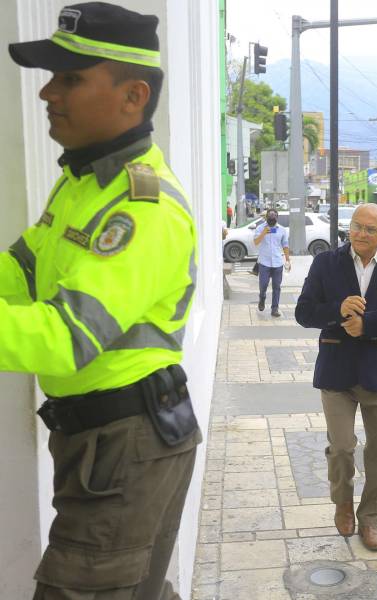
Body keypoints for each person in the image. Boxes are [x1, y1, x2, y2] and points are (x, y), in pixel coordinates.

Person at [3, 4, 201, 598]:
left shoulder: (143, 210)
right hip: (105, 442)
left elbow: (66, 337)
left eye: (69, 78)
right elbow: (22, 270)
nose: (47, 92)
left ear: (132, 95)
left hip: (125, 445)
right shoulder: (83, 184)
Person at [295, 203, 377, 552]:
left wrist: (369, 325)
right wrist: (338, 309)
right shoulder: (326, 264)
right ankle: (343, 503)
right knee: (342, 447)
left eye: (369, 229)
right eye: (356, 227)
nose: (361, 234)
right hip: (336, 372)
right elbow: (303, 313)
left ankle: (370, 520)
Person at [254, 208, 290, 316]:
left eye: (273, 218)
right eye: (269, 218)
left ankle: (275, 309)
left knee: (276, 287)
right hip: (264, 262)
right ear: (266, 218)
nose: (272, 220)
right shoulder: (260, 228)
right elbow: (256, 242)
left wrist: (288, 259)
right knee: (263, 285)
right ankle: (262, 297)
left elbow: (285, 245)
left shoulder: (282, 230)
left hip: (278, 262)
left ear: (277, 218)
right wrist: (264, 233)